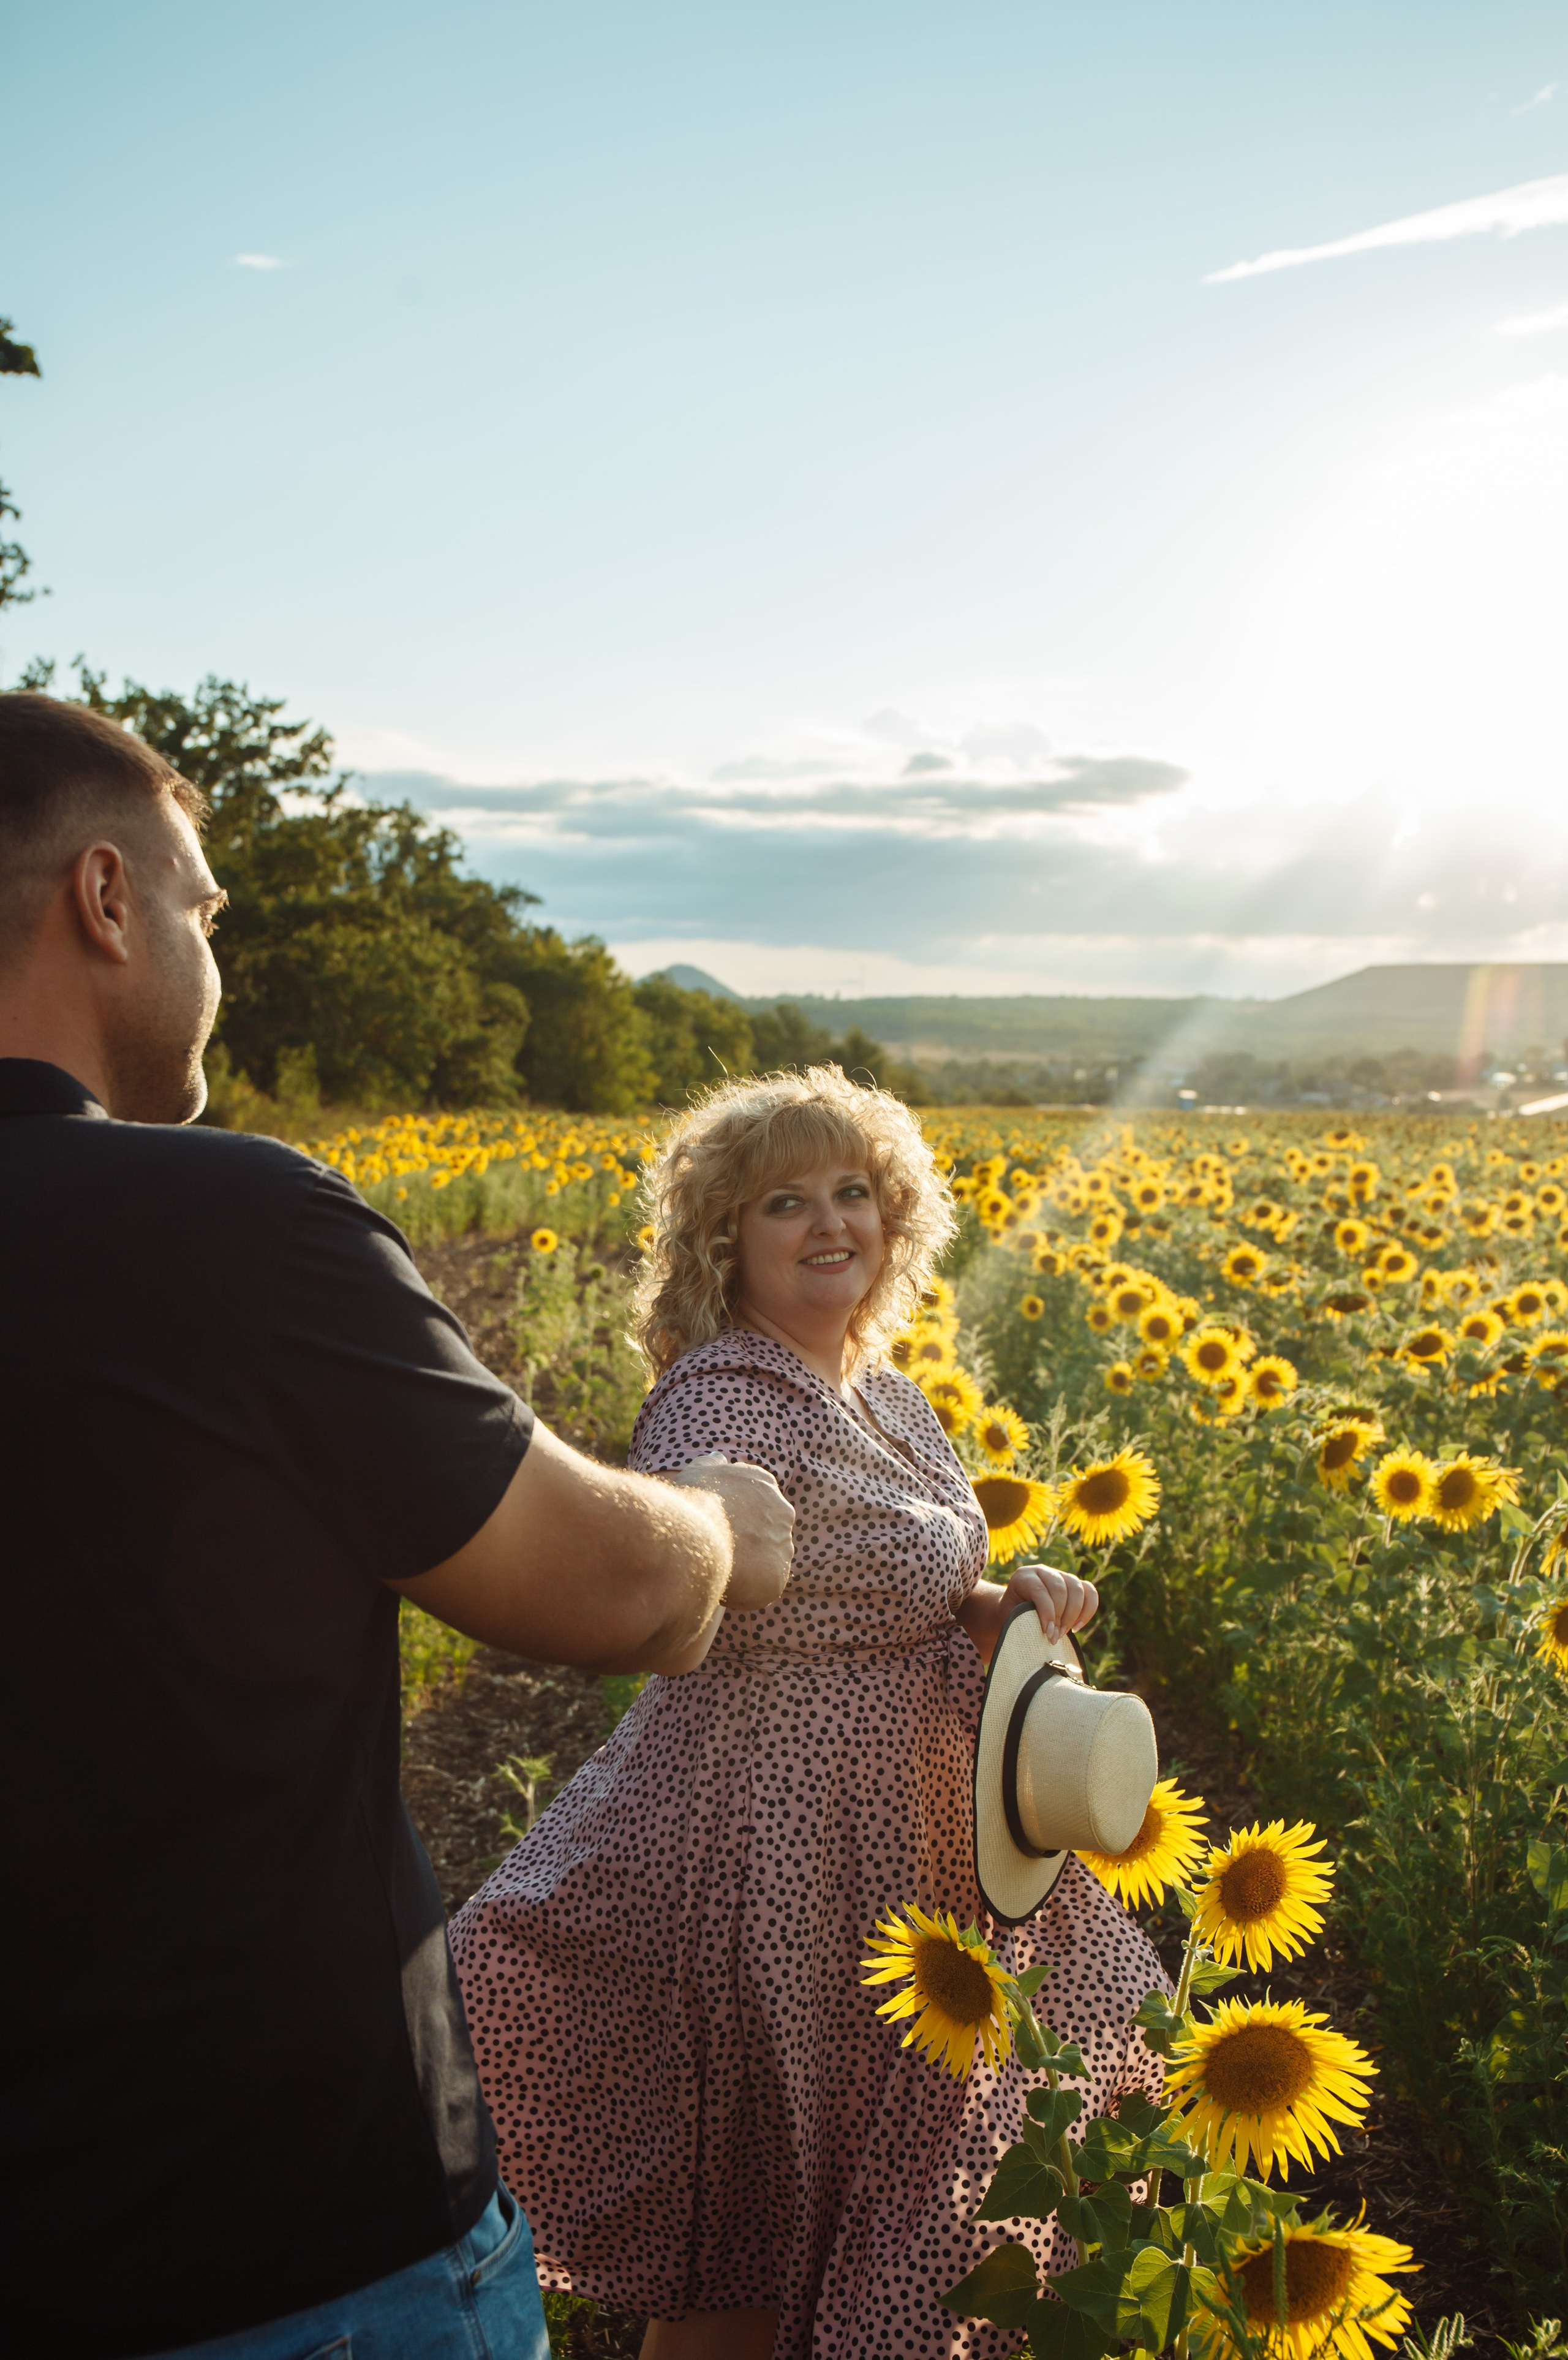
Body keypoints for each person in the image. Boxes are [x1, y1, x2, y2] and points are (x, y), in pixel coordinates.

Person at [0, 692, 795, 2360]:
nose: (216, 947)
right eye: (204, 905)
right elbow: (590, 1580)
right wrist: (723, 1523)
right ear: (103, 899)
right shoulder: (228, 1228)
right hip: (281, 2246)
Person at [450, 1070, 1168, 2360]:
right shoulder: (722, 1394)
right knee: (759, 2216)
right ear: (728, 1239)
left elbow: (915, 1578)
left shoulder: (886, 1395)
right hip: (772, 1855)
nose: (830, 1223)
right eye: (786, 1202)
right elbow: (695, 1569)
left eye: (854, 1193)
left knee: (871, 2179)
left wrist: (1002, 1596)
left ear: (896, 1221)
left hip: (903, 1837)